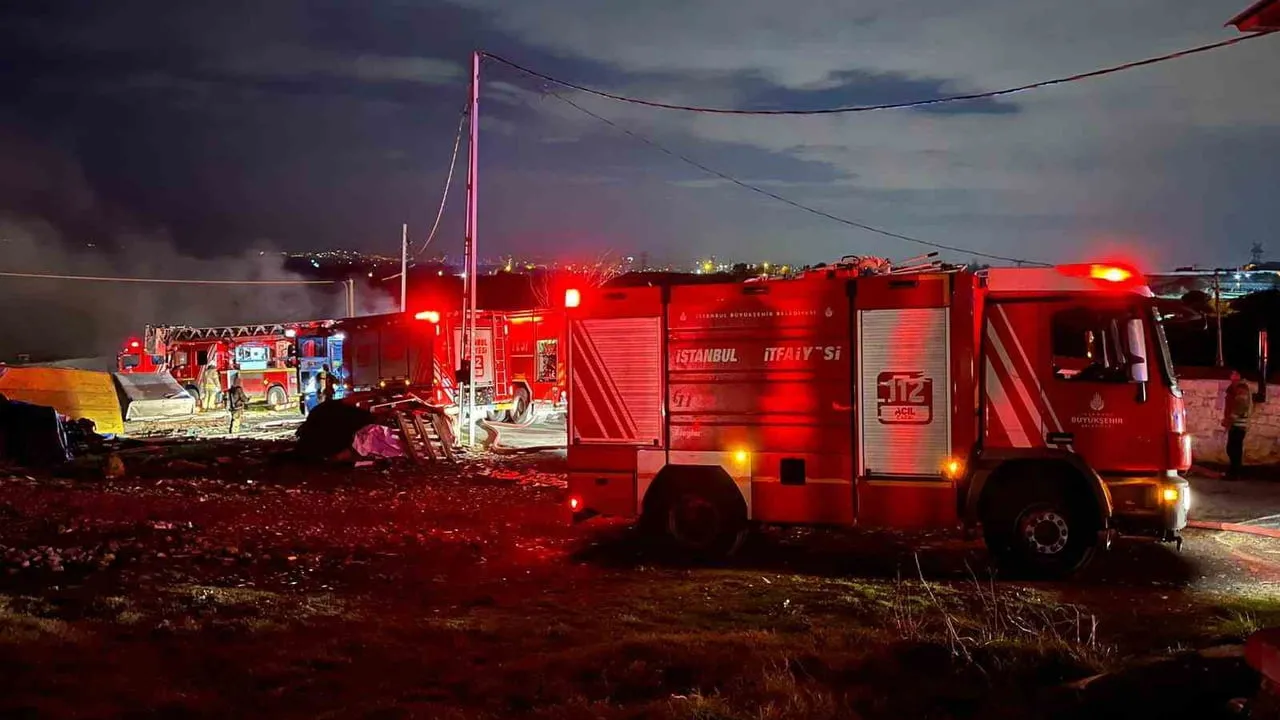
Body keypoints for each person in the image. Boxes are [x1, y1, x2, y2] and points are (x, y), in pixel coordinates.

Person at [1223, 370, 1254, 479]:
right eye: (1232, 373)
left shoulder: (1241, 388)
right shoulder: (1234, 388)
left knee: (1234, 448)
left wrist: (1231, 418)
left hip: (1239, 423)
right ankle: (1233, 471)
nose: (1232, 375)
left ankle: (1235, 473)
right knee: (1232, 448)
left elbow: (1241, 405)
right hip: (1235, 423)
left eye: (1235, 373)